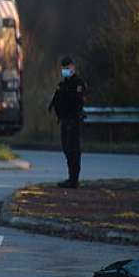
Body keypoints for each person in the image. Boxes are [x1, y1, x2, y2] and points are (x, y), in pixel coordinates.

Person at [48, 56, 86, 189]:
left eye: (68, 68)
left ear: (73, 67)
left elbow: (78, 100)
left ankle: (74, 179)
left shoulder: (78, 83)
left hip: (74, 121)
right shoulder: (62, 84)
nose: (65, 70)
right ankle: (71, 178)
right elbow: (56, 99)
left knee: (73, 150)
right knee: (66, 149)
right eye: (63, 68)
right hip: (64, 120)